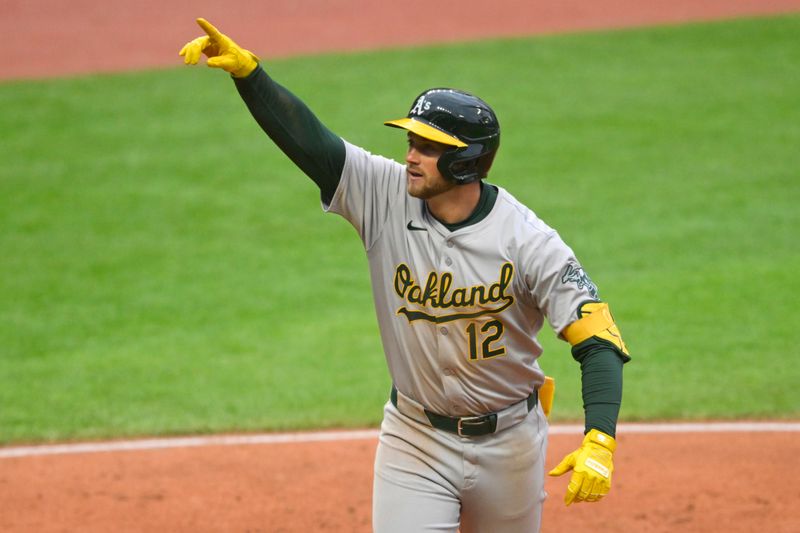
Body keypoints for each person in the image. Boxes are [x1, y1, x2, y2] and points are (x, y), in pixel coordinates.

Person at [180, 18, 631, 533]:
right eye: (412, 141)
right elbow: (313, 145)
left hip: (511, 445)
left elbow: (597, 337)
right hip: (414, 438)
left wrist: (600, 439)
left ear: (468, 160)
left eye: (429, 146)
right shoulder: (384, 195)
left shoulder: (528, 241)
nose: (411, 155)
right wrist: (251, 76)